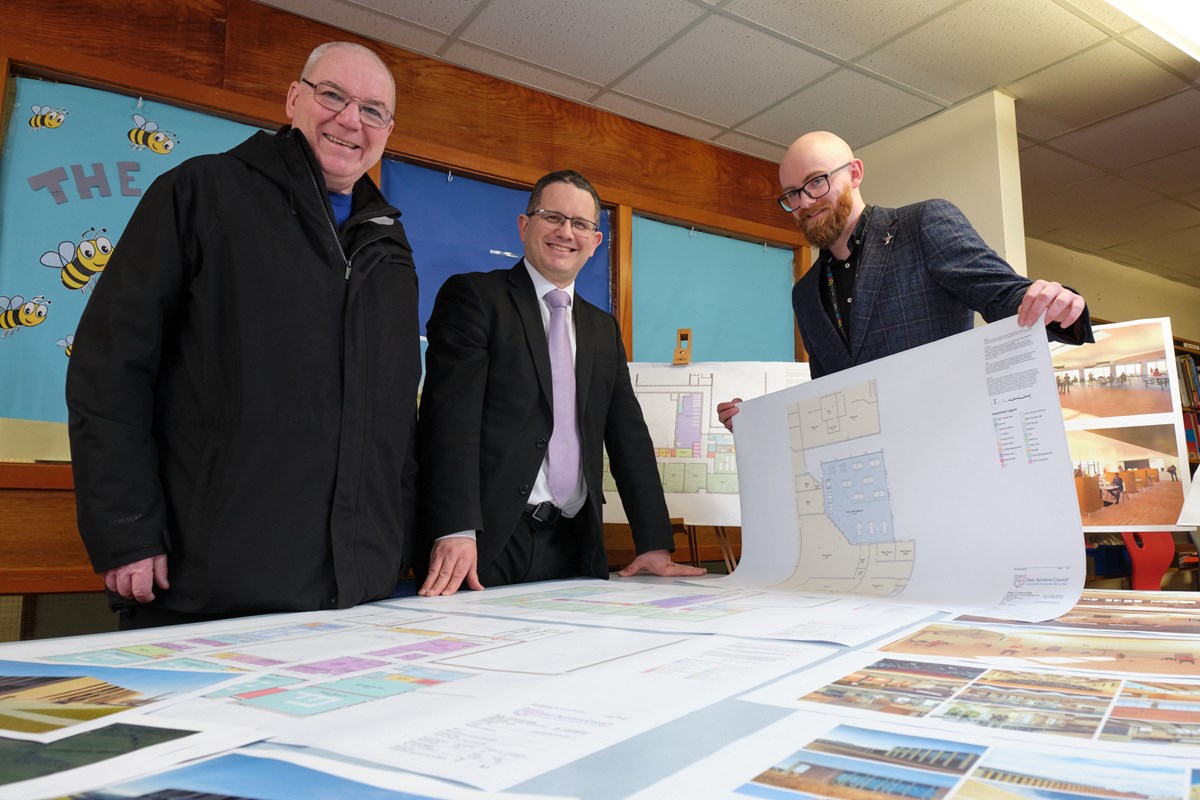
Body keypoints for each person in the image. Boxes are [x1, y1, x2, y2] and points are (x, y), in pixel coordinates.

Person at [66, 42, 420, 629]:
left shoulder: (390, 245)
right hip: (209, 581)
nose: (351, 120)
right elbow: (110, 368)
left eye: (373, 110)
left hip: (360, 585)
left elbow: (394, 415)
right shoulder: (200, 192)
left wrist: (401, 538)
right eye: (333, 95)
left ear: (387, 129)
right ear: (293, 99)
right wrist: (125, 529)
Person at [416, 170, 705, 596]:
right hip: (485, 543)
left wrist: (654, 543)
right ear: (524, 225)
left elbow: (628, 437)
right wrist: (456, 528)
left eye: (581, 224)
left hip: (575, 543)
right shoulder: (476, 299)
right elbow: (449, 422)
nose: (565, 232)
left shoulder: (602, 328)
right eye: (552, 216)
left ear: (595, 241)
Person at [718, 130, 1092, 429]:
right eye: (792, 195)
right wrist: (757, 425)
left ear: (855, 173)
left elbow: (1003, 296)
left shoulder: (923, 224)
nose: (805, 203)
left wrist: (1055, 303)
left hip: (950, 453)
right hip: (871, 481)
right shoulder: (805, 293)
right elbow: (826, 397)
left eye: (816, 182)